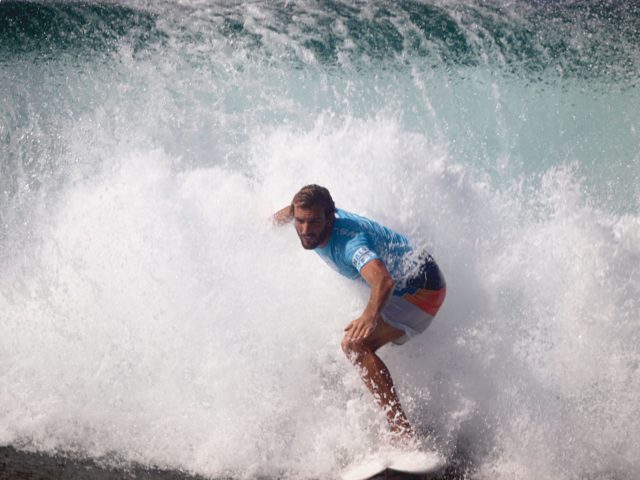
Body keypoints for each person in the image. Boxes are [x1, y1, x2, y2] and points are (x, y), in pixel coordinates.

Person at [273, 184, 446, 444]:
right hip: (412, 276)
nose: (306, 230)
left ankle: (403, 434)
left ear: (330, 217)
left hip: (422, 291)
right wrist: (264, 225)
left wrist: (369, 316)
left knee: (354, 345)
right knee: (356, 345)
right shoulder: (307, 212)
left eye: (314, 222)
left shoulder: (350, 244)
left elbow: (383, 282)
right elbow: (290, 211)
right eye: (300, 221)